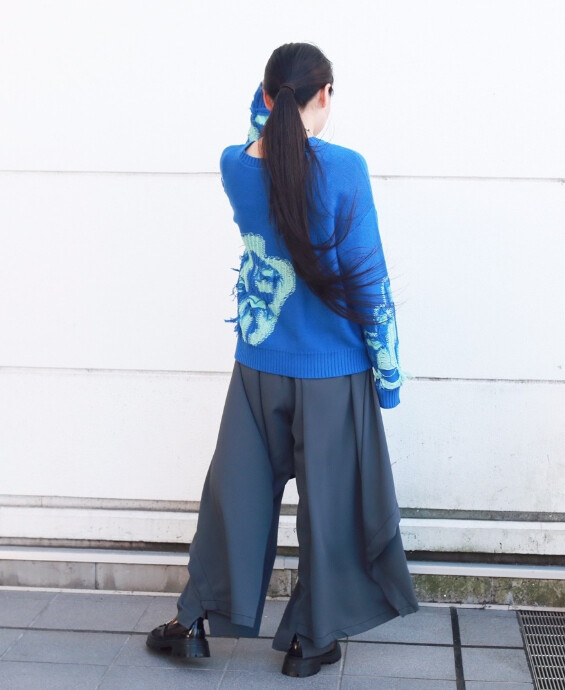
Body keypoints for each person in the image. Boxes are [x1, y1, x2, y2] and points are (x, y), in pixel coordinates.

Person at [146, 42, 418, 678]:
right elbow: (370, 281)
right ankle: (310, 641)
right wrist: (388, 375)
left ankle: (192, 623)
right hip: (333, 374)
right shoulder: (346, 169)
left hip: (258, 368)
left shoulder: (236, 165)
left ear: (267, 97)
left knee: (236, 497)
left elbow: (259, 128)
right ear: (324, 95)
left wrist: (273, 98)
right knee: (332, 508)